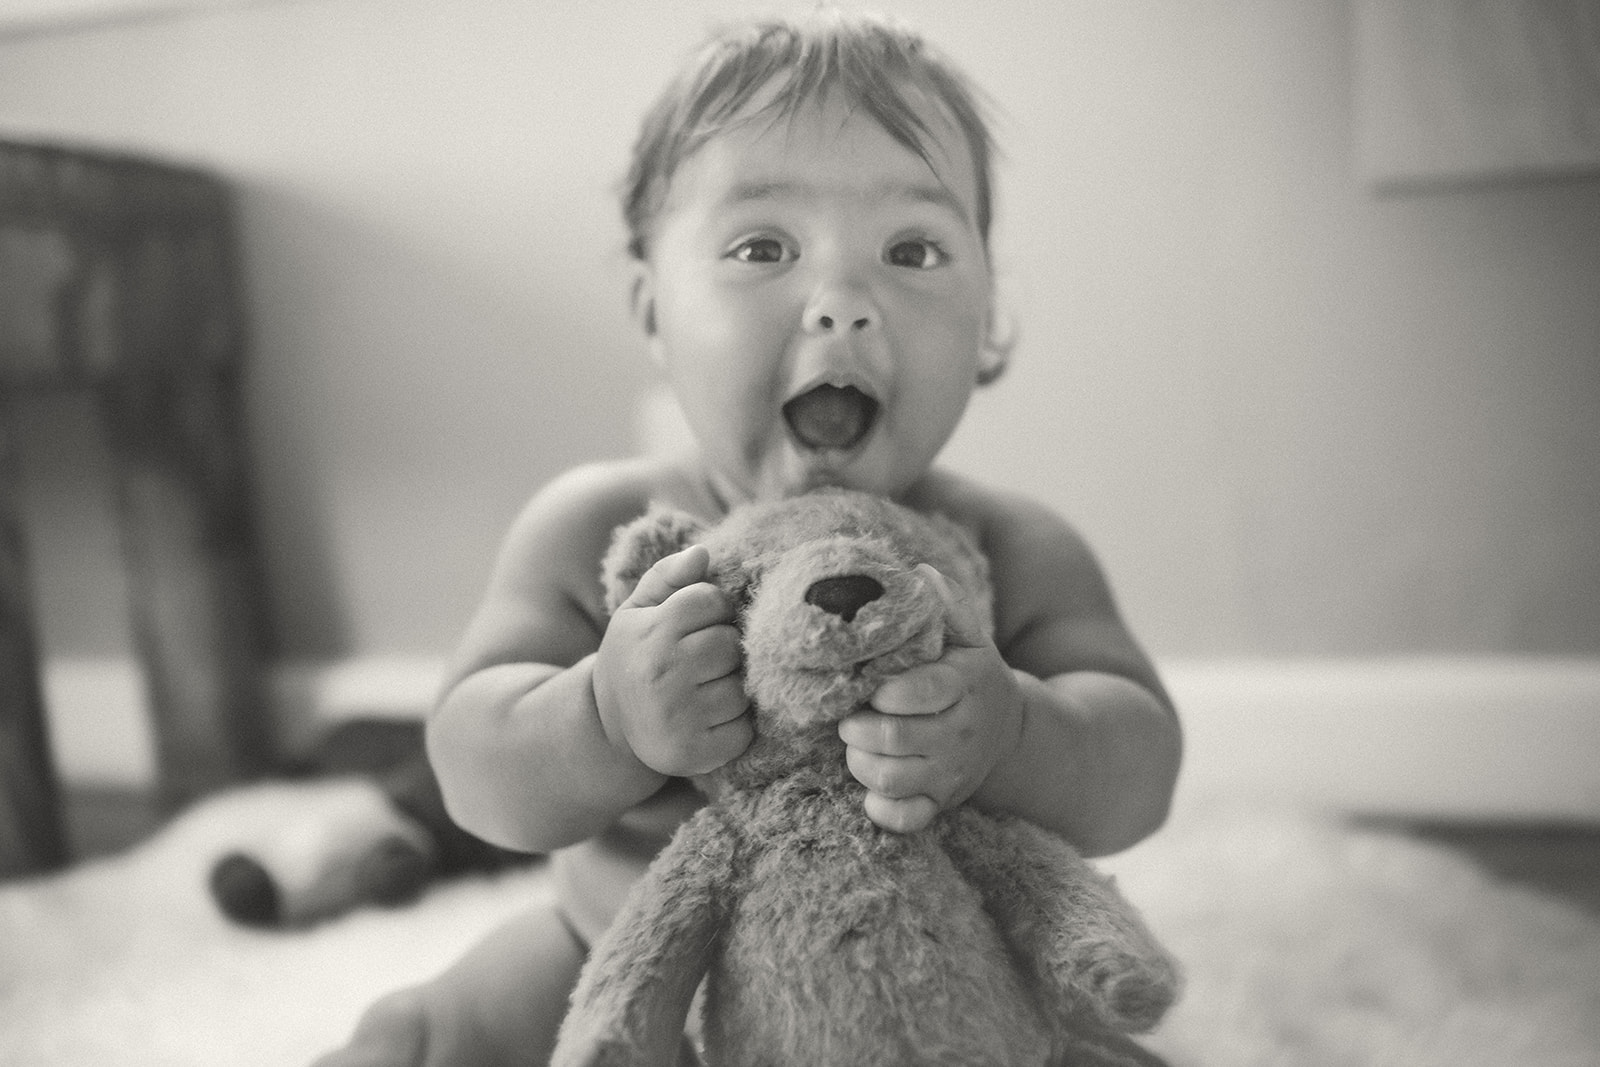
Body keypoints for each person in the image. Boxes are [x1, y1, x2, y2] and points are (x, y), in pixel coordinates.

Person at [316, 9, 1181, 1066]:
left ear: (988, 315)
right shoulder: (598, 528)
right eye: (761, 246)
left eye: (911, 249)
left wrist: (1014, 732)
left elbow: (1138, 764)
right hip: (627, 958)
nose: (841, 304)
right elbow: (472, 764)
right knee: (446, 1027)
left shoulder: (1007, 544)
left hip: (925, 979)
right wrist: (604, 714)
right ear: (652, 309)